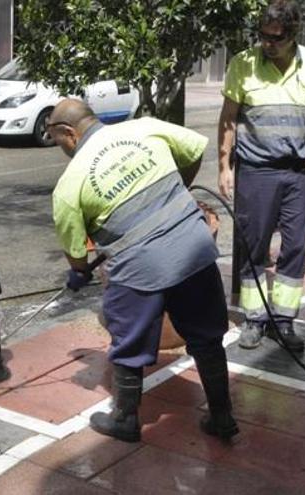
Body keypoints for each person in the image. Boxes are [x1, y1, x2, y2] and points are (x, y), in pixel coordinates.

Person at [48, 98, 238, 443]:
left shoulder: (70, 184)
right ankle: (223, 417)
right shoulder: (145, 128)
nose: (57, 146)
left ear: (68, 133)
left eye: (56, 139)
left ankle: (124, 419)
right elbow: (195, 149)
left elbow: (77, 254)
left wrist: (78, 272)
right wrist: (177, 191)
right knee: (206, 335)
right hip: (193, 247)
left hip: (140, 268)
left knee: (129, 340)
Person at [218, 0, 305, 352]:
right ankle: (254, 319)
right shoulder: (243, 64)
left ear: (293, 35)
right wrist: (224, 167)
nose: (268, 44)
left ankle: (282, 320)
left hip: (298, 173)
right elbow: (228, 119)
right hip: (255, 172)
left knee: (297, 245)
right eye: (263, 37)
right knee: (252, 246)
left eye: (276, 38)